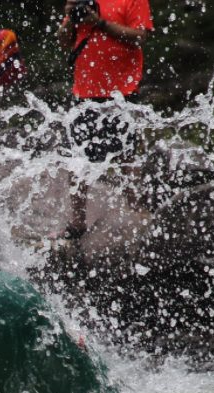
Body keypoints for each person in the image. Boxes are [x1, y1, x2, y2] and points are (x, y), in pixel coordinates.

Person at [57, 0, 154, 240]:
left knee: (127, 154)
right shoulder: (82, 1)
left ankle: (136, 212)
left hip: (123, 91)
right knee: (78, 159)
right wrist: (69, 18)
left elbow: (139, 37)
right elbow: (64, 42)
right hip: (85, 93)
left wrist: (98, 23)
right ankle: (78, 222)